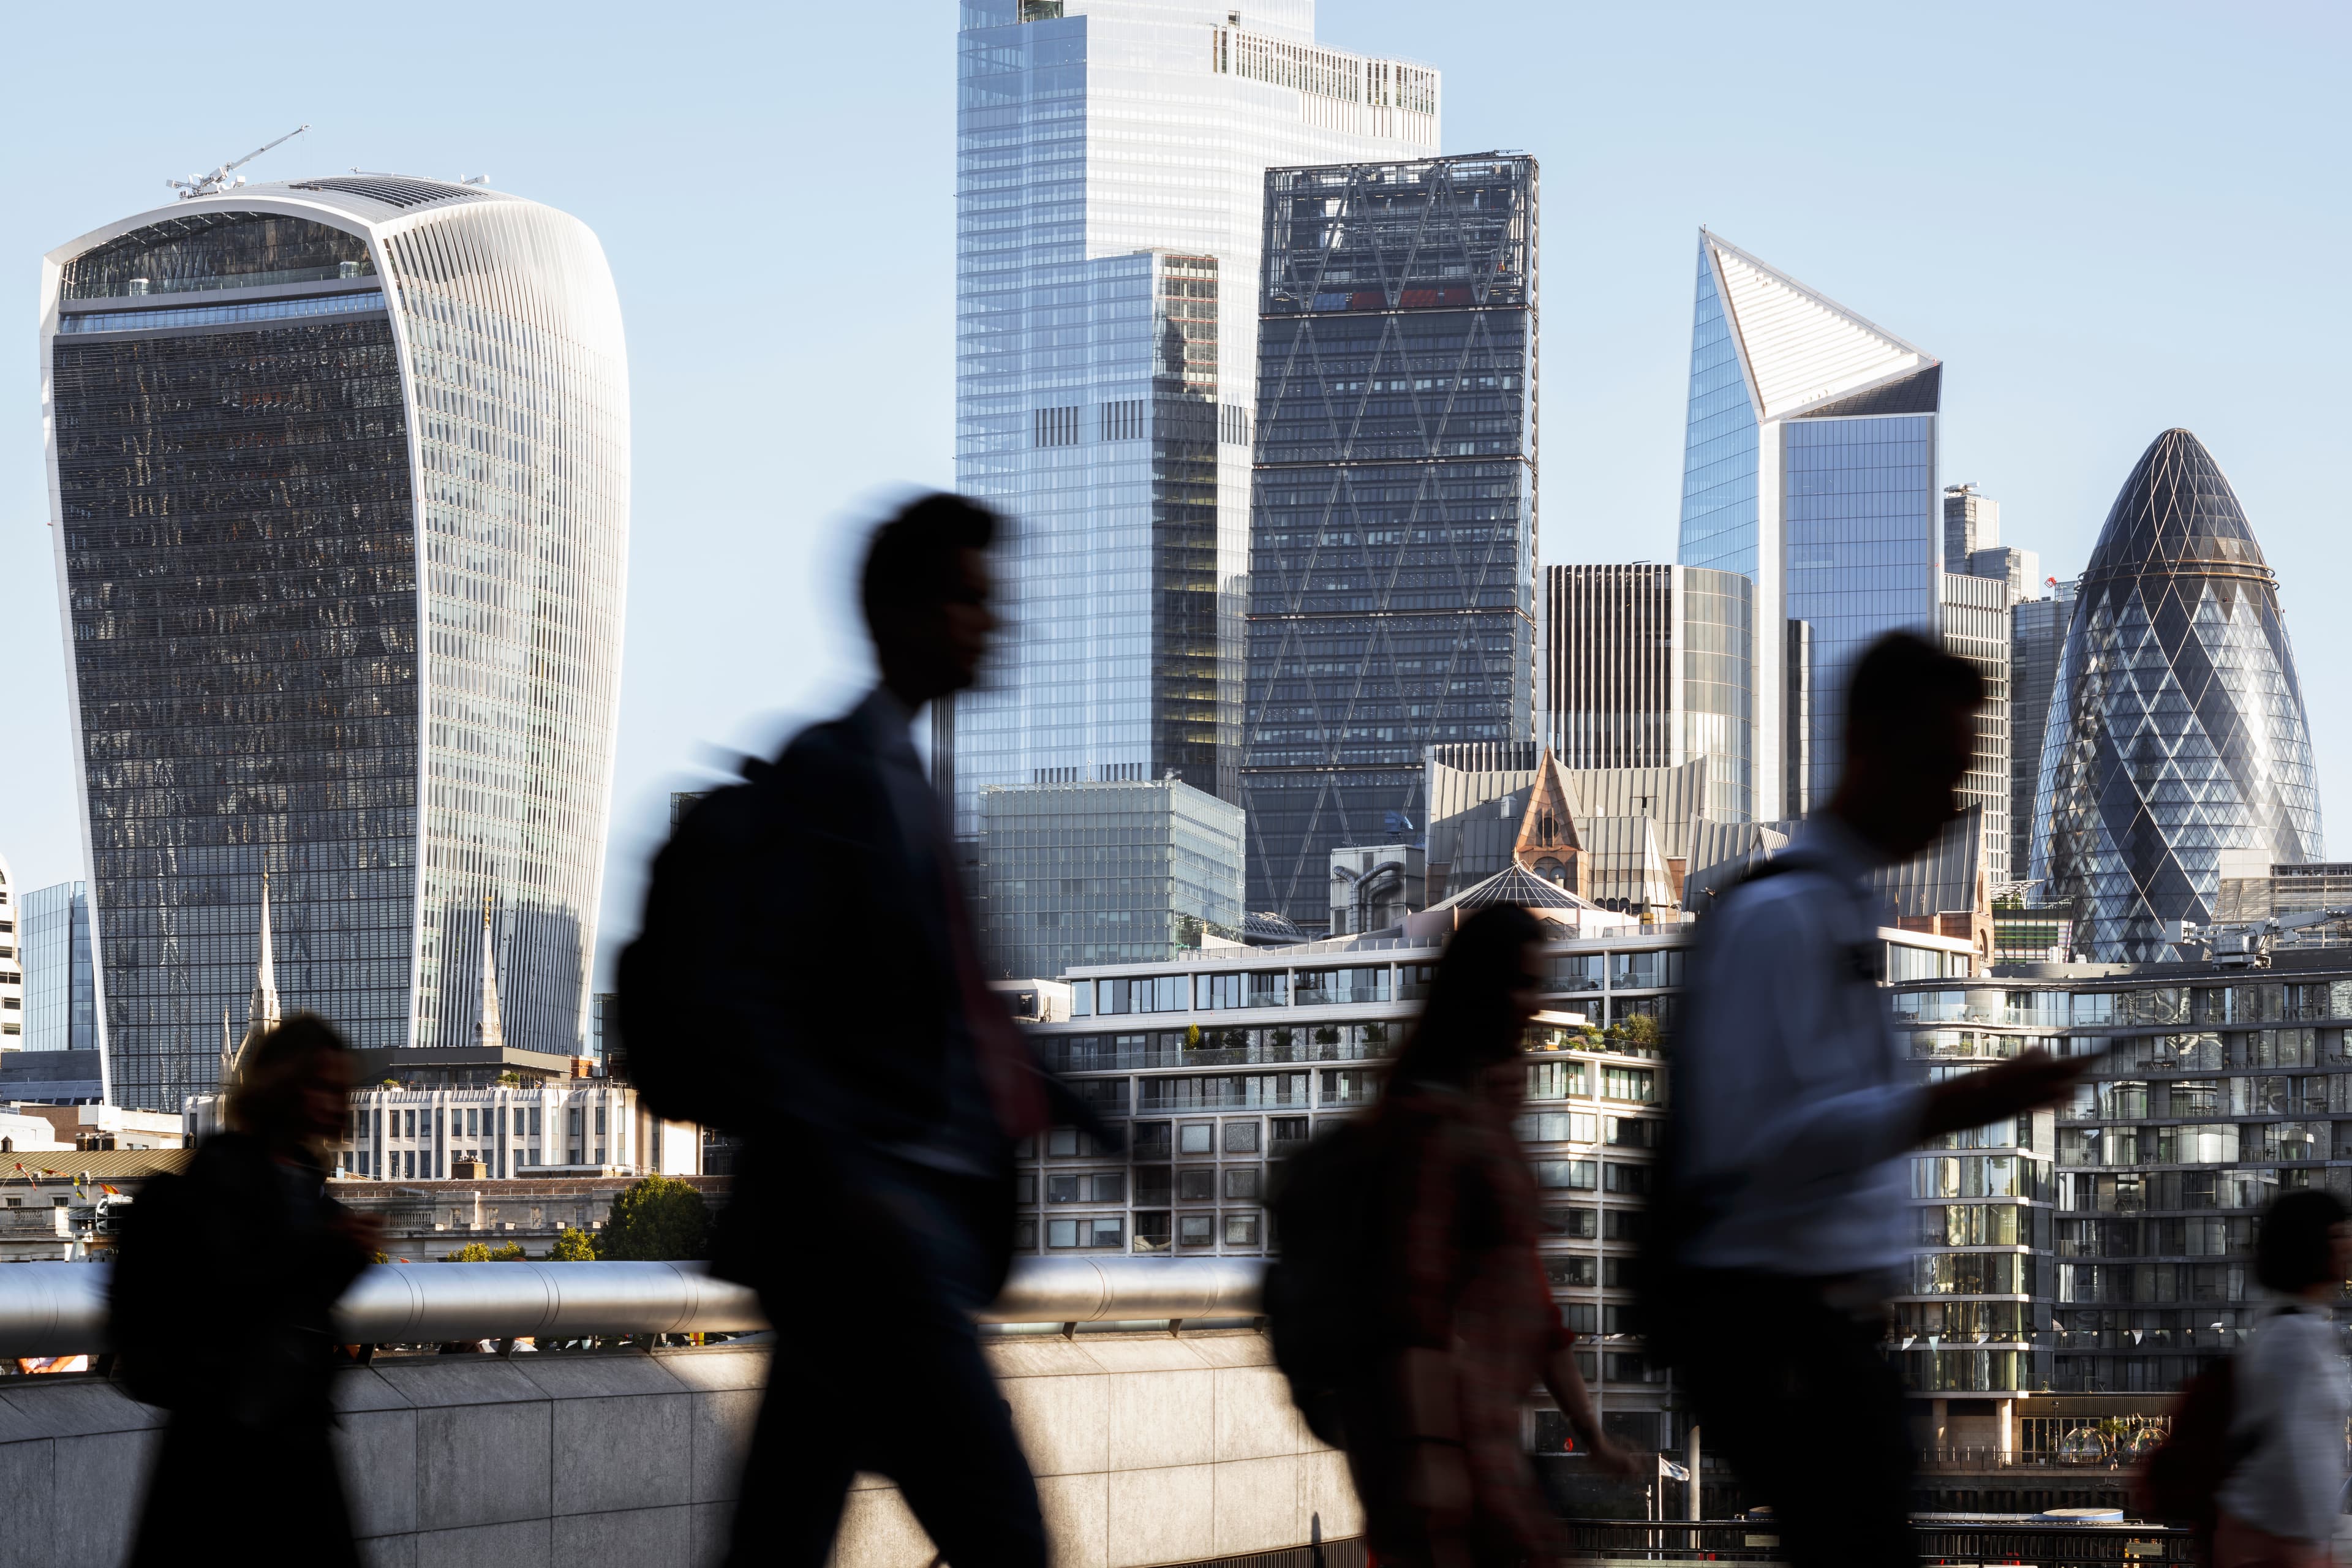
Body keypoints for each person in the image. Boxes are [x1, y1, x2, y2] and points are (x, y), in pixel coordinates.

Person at [690, 493, 1105, 1568]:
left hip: (868, 1249)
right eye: (971, 598)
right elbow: (757, 1000)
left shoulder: (905, 784)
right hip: (880, 1246)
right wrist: (856, 1175)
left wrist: (1097, 1119)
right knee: (1007, 1540)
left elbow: (962, 1016)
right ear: (905, 612)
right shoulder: (835, 776)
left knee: (779, 1540)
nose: (994, 621)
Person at [1648, 631, 2091, 1567]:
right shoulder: (1780, 919)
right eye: (1939, 769)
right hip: (1783, 1343)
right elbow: (1763, 1143)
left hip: (1831, 1343)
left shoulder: (1843, 915)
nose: (1950, 807)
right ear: (1869, 749)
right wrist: (1961, 1104)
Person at [1344, 903, 1640, 1568]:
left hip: (1480, 1446)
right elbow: (1414, 1308)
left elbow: (1536, 1319)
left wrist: (1593, 1438)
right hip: (1460, 1449)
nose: (1535, 1005)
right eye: (1523, 984)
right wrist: (1434, 1461)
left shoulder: (1462, 1122)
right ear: (1479, 991)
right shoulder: (1435, 1126)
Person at [118, 1014, 380, 1568]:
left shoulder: (308, 1190)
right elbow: (236, 1292)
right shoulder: (219, 1183)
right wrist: (327, 1253)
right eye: (324, 1087)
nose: (339, 1104)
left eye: (343, 1090)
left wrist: (340, 1261)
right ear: (285, 1087)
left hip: (290, 1450)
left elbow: (294, 1306)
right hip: (224, 1457)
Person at [2213, 1189, 2352, 1568]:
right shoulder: (2293, 1338)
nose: (2348, 1247)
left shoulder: (2294, 1327)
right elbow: (2295, 1455)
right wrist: (2308, 1549)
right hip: (2280, 1548)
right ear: (2311, 1248)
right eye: (2338, 1236)